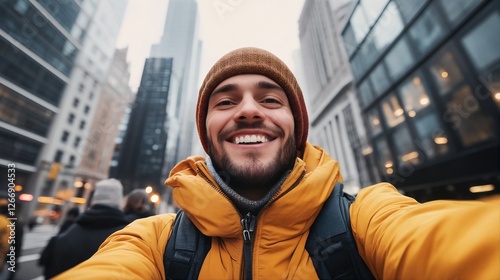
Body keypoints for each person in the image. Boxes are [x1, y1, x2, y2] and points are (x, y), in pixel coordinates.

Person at [55, 47, 500, 279]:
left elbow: (443, 244)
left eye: (270, 98)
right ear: (207, 132)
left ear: (296, 126)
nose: (248, 111)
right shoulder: (150, 241)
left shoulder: (367, 217)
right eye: (225, 101)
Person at [39, 178, 129, 279]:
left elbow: (47, 269)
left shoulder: (62, 237)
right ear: (118, 201)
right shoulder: (125, 237)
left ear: (94, 198)